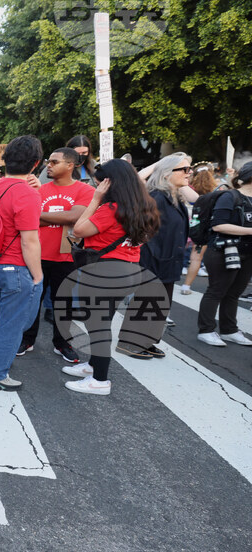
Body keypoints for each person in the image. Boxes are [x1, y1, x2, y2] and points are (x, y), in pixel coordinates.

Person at [62, 160, 161, 394]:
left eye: (100, 182)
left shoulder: (112, 208)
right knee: (101, 319)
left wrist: (95, 199)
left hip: (104, 271)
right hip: (128, 269)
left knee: (97, 324)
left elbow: (79, 230)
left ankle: (100, 379)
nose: (97, 186)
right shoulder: (145, 206)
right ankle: (94, 366)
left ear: (109, 183)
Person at [0, 135, 45, 391]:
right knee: (14, 324)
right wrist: (38, 276)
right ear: (35, 163)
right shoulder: (27, 194)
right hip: (16, 266)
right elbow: (29, 242)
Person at [18, 148, 94, 362]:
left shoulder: (84, 190)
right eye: (48, 161)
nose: (48, 165)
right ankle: (27, 339)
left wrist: (38, 216)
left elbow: (74, 216)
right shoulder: (39, 190)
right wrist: (60, 218)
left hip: (67, 257)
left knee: (63, 303)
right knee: (32, 300)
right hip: (36, 255)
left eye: (54, 162)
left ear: (70, 165)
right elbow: (25, 217)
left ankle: (62, 343)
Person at [124, 153, 192, 356]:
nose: (189, 174)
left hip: (168, 260)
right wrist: (151, 256)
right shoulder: (156, 197)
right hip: (154, 261)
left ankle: (146, 341)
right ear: (165, 174)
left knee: (160, 305)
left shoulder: (174, 196)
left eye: (190, 169)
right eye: (185, 170)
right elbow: (141, 229)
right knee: (148, 303)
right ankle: (131, 343)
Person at [196, 162, 252, 347]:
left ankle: (229, 330)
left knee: (234, 293)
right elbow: (218, 225)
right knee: (216, 291)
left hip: (247, 253)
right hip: (222, 250)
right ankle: (206, 330)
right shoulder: (230, 196)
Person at [180, 167, 218, 294]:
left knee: (176, 250)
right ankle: (186, 287)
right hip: (202, 227)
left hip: (186, 223)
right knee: (196, 257)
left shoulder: (186, 188)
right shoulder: (215, 192)